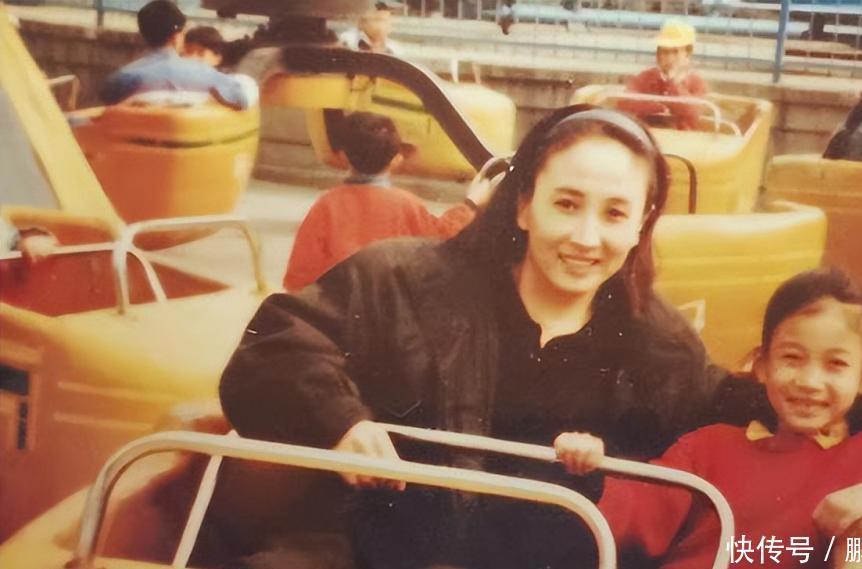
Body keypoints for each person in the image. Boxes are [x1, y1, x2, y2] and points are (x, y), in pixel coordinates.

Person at [213, 105, 742, 569]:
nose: (586, 237)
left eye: (615, 214)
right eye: (566, 204)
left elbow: (725, 419)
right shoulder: (399, 279)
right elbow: (274, 346)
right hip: (363, 548)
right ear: (523, 204)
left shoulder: (661, 345)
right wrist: (341, 420)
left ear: (641, 224)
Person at [557, 267, 862, 568]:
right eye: (792, 358)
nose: (809, 381)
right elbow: (635, 512)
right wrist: (591, 468)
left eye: (836, 365)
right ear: (762, 365)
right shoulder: (709, 447)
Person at [283, 112, 487, 292]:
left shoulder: (326, 205)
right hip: (391, 310)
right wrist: (471, 203)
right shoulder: (407, 205)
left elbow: (298, 278)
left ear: (343, 156)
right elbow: (443, 236)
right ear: (396, 159)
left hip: (339, 310)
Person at [99, 0, 250, 110]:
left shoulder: (121, 79)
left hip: (137, 142)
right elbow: (242, 98)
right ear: (177, 36)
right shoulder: (203, 72)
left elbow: (107, 105)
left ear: (144, 35)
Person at [620, 21, 708, 131]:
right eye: (665, 52)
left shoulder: (696, 82)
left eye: (675, 52)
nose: (669, 58)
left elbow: (694, 114)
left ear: (687, 54)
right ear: (658, 54)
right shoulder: (644, 78)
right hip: (648, 133)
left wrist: (674, 84)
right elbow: (624, 104)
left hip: (682, 136)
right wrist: (659, 107)